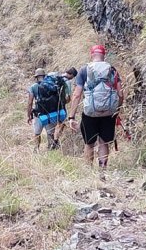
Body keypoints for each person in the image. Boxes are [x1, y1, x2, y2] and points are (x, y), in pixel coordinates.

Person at [72, 45, 123, 177]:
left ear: (91, 55)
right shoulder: (112, 70)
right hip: (108, 112)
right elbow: (121, 93)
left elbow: (77, 95)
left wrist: (71, 116)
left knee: (89, 143)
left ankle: (88, 173)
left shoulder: (84, 70)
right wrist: (117, 110)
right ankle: (102, 172)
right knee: (104, 142)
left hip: (90, 113)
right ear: (104, 55)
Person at [27, 68, 69, 151]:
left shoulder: (33, 87)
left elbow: (30, 102)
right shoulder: (52, 85)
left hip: (38, 114)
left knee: (37, 133)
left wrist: (29, 115)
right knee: (50, 133)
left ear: (36, 77)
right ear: (44, 75)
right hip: (50, 113)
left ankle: (36, 149)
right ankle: (51, 148)